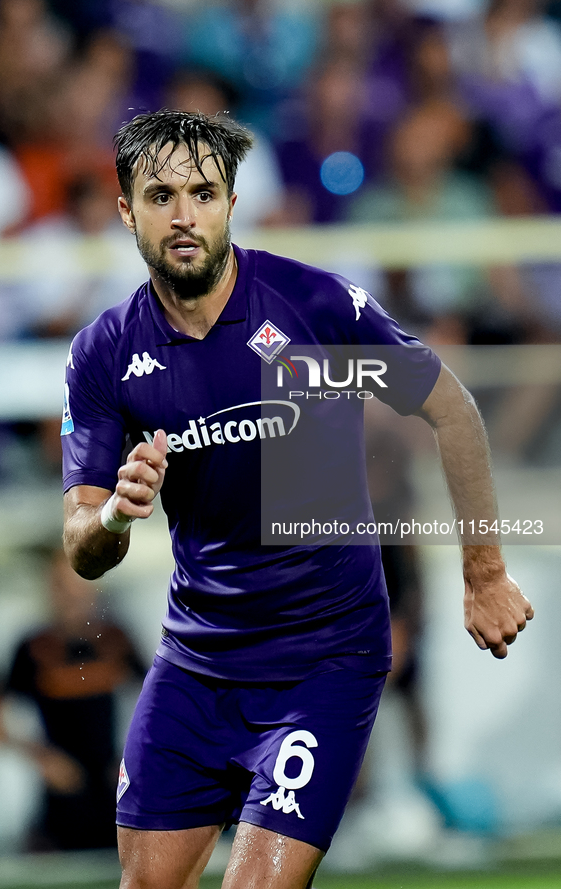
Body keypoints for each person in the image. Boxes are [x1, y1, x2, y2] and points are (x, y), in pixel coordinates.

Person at [61, 110, 534, 889]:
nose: (184, 215)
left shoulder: (311, 306)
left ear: (231, 203)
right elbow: (82, 543)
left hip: (324, 656)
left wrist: (482, 572)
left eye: (203, 193)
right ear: (125, 210)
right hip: (197, 660)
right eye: (160, 195)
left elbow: (450, 407)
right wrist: (116, 512)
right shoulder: (105, 354)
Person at [0, 548, 146, 851]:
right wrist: (45, 760)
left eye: (78, 584)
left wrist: (132, 754)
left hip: (114, 792)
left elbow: (158, 701)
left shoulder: (114, 637)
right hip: (59, 801)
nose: (72, 595)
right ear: (49, 589)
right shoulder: (32, 647)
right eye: (61, 585)